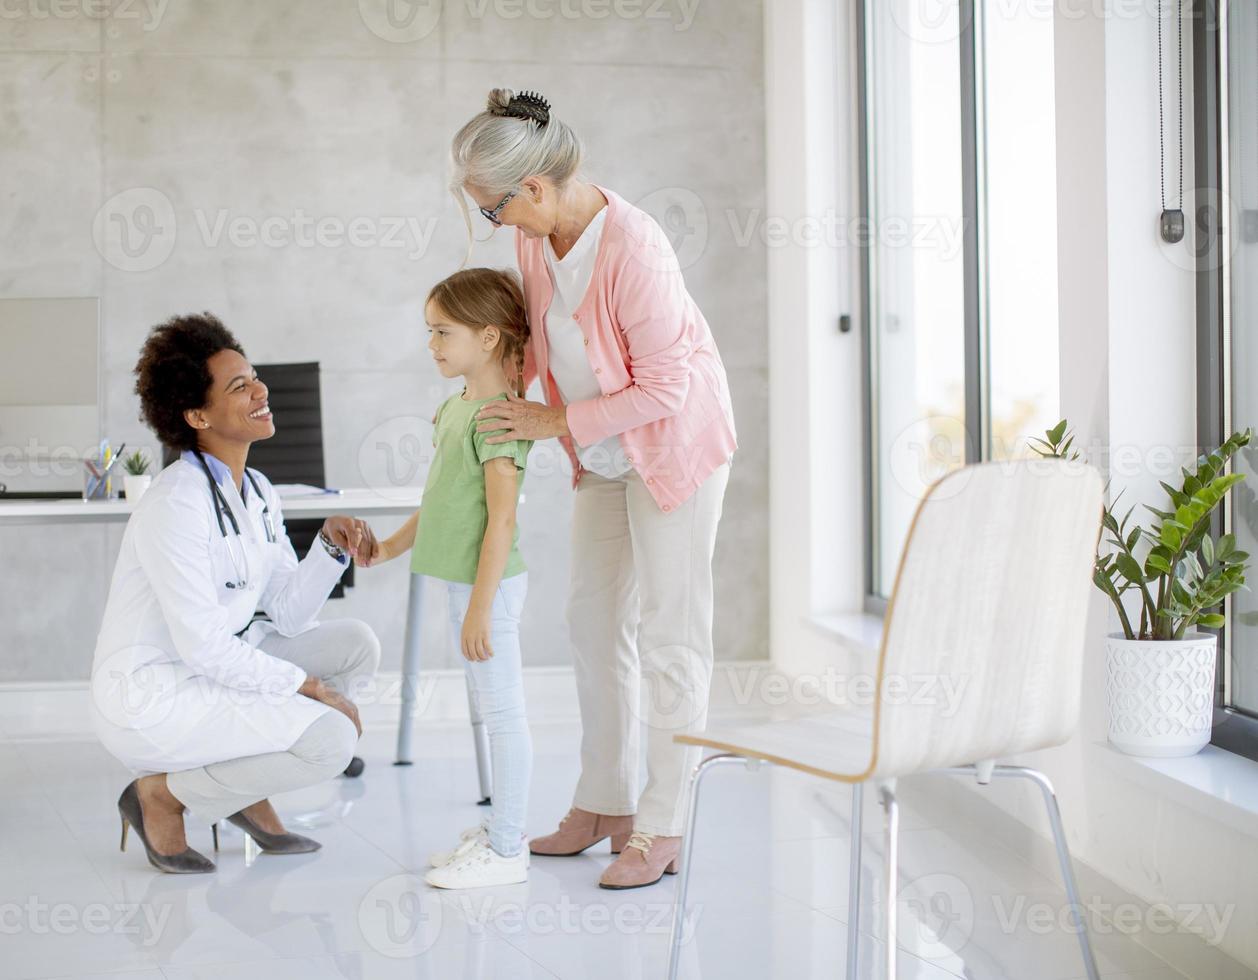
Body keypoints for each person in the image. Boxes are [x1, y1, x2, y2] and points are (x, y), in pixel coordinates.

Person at [449, 88, 737, 889]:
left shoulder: (636, 250)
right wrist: (498, 390)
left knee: (672, 635)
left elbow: (665, 391)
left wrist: (552, 423)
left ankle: (663, 823)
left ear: (534, 189)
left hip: (670, 449)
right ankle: (605, 801)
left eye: (495, 209)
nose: (497, 225)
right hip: (602, 454)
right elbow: (550, 341)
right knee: (591, 620)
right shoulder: (540, 243)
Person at [91, 313, 381, 874]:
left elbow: (289, 616)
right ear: (197, 416)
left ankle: (237, 779)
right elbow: (202, 648)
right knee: (329, 743)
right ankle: (163, 795)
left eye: (254, 377)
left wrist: (328, 545)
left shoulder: (257, 492)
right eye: (239, 386)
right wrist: (307, 688)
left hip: (211, 673)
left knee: (357, 644)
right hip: (154, 695)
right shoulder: (176, 503)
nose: (260, 390)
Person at [366, 268, 535, 888]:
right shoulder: (456, 407)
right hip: (468, 588)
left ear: (489, 337)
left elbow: (502, 520)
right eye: (429, 332)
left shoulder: (496, 418)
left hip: (486, 590)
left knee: (503, 714)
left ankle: (509, 848)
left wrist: (480, 610)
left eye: (443, 332)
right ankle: (498, 835)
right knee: (494, 710)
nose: (431, 344)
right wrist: (388, 547)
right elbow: (440, 501)